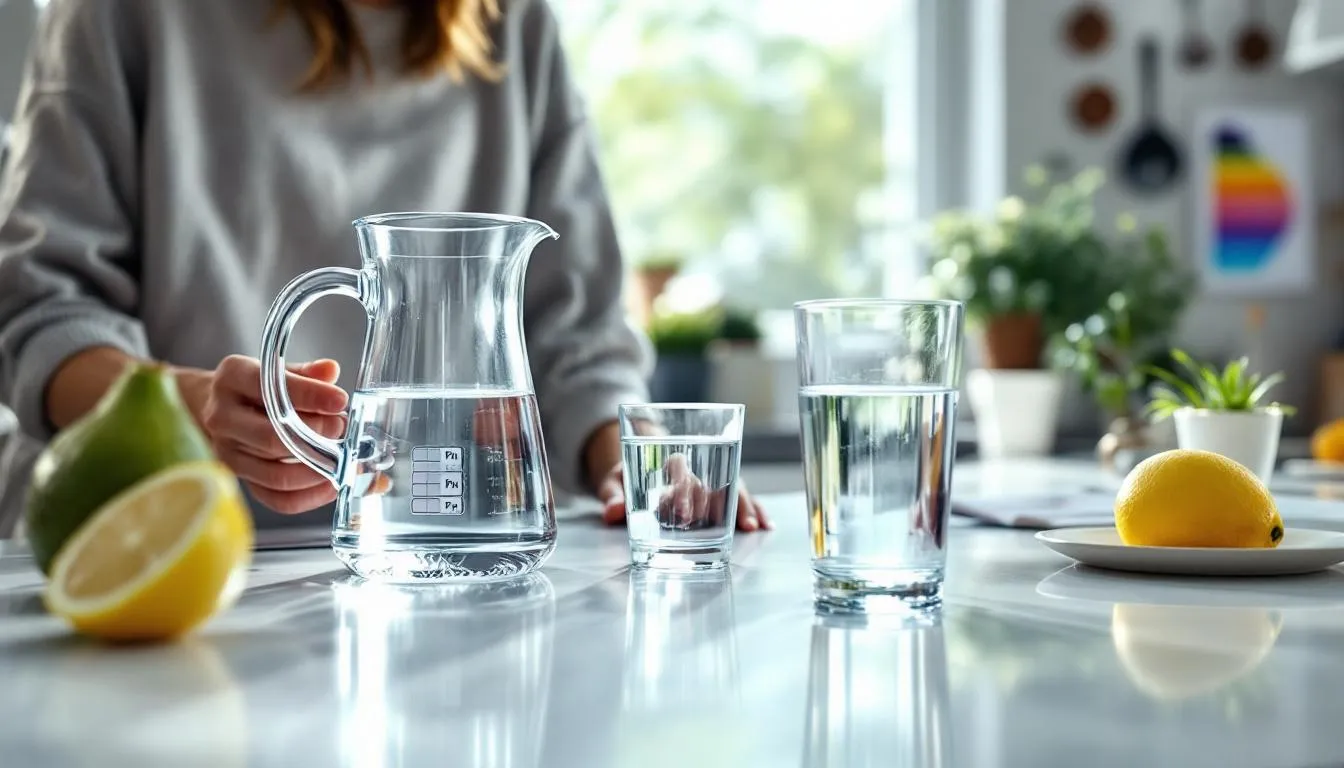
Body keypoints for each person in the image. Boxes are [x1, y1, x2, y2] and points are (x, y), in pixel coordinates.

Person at [0, 0, 770, 536]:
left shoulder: (515, 25)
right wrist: (193, 407)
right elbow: (38, 315)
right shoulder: (118, 13)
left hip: (423, 570)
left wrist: (636, 471)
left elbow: (581, 342)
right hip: (139, 557)